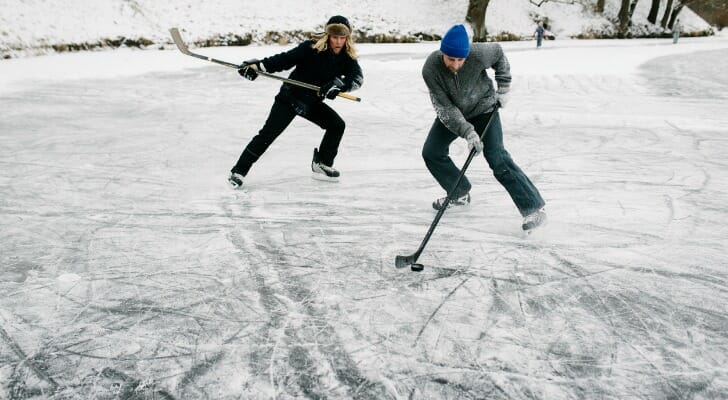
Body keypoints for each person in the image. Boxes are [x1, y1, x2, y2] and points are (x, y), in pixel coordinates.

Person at [421, 24, 546, 231]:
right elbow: (445, 108)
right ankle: (458, 192)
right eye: (451, 59)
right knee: (432, 152)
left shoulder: (478, 54)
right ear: (442, 53)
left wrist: (503, 88)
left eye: (460, 59)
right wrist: (468, 132)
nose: (456, 64)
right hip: (455, 114)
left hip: (484, 109)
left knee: (497, 157)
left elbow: (498, 54)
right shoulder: (431, 69)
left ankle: (533, 208)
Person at [228, 15, 363, 189]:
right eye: (334, 37)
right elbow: (284, 60)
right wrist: (258, 67)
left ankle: (321, 163)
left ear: (347, 38)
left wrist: (340, 86)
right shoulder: (310, 48)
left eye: (342, 37)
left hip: (311, 103)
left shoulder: (347, 58)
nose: (338, 41)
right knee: (267, 135)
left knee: (337, 125)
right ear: (327, 35)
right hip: (289, 98)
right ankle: (238, 172)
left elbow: (357, 79)